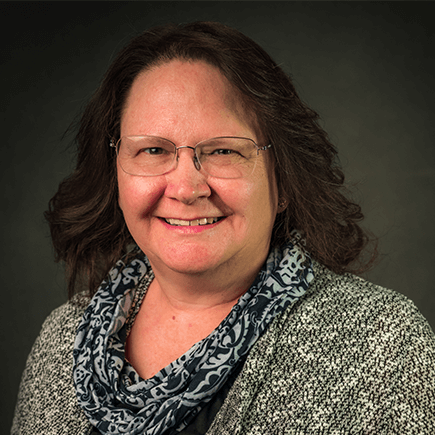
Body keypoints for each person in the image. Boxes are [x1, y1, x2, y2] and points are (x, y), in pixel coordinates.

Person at [12, 21, 435, 435]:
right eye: (153, 150)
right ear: (116, 175)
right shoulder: (63, 337)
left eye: (224, 151)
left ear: (284, 180)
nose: (185, 188)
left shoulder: (382, 343)